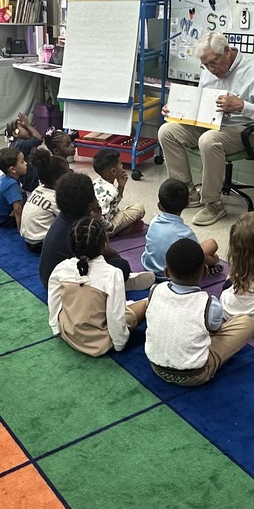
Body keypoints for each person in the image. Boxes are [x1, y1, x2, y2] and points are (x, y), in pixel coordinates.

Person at [158, 31, 254, 227]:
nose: (210, 69)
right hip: (212, 124)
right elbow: (200, 104)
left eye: (213, 63)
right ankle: (187, 194)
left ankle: (213, 204)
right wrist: (176, 111)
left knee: (208, 140)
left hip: (248, 130)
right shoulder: (209, 70)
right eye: (205, 65)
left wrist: (242, 105)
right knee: (167, 131)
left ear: (226, 51)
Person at [144, 238, 254, 387]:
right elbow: (215, 331)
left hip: (156, 367)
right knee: (246, 323)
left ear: (166, 271)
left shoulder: (155, 290)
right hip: (194, 375)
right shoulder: (209, 303)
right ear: (205, 271)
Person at [48, 217, 149, 357]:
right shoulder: (111, 274)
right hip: (99, 342)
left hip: (68, 333)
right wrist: (119, 344)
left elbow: (54, 303)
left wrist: (56, 328)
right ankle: (138, 299)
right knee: (146, 303)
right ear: (105, 244)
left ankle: (128, 300)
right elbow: (115, 318)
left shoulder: (61, 268)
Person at [38, 172, 153, 291]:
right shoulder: (83, 227)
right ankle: (118, 284)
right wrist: (98, 222)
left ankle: (117, 282)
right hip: (67, 287)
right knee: (121, 266)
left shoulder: (63, 217)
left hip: (50, 280)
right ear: (90, 203)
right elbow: (106, 250)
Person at [141, 179, 219, 277]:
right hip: (174, 275)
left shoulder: (153, 221)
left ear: (159, 206)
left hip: (148, 266)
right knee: (212, 245)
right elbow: (197, 258)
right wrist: (213, 260)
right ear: (187, 204)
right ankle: (214, 263)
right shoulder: (186, 233)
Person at [20, 148, 70, 253]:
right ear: (59, 179)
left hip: (28, 239)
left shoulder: (37, 190)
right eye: (67, 174)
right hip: (42, 242)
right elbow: (70, 218)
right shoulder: (56, 197)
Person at [92, 149, 144, 237]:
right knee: (139, 208)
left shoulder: (96, 182)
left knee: (119, 210)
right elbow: (99, 215)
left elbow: (113, 202)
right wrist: (110, 227)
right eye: (120, 164)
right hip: (103, 229)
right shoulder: (111, 191)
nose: (122, 166)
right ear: (113, 171)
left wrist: (121, 185)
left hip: (99, 222)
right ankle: (116, 231)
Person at [5, 112, 43, 192]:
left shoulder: (15, 143)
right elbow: (39, 139)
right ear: (15, 133)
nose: (28, 129)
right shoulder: (20, 144)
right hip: (27, 184)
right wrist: (28, 125)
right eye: (24, 127)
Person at [0, 148, 27, 229]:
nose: (26, 163)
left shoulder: (6, 177)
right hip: (4, 219)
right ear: (13, 169)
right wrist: (21, 229)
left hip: (0, 215)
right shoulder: (12, 184)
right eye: (22, 162)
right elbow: (17, 209)